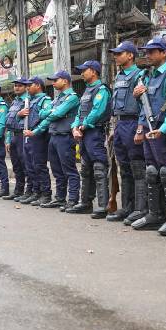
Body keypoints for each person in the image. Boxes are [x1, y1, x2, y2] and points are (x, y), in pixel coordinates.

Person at [130, 37, 166, 235]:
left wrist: (164, 128)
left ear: (164, 53)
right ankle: (155, 214)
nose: (148, 55)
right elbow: (143, 107)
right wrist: (137, 97)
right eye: (147, 51)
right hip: (148, 129)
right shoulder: (147, 76)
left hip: (163, 130)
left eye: (153, 51)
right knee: (152, 171)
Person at [106, 41, 147, 224]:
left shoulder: (139, 75)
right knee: (124, 169)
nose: (115, 56)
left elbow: (143, 106)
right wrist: (114, 128)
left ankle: (140, 209)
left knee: (138, 169)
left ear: (130, 55)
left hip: (133, 123)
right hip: (121, 125)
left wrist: (140, 128)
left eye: (119, 53)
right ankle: (127, 207)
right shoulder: (119, 76)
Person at [27, 71, 80, 210]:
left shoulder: (72, 97)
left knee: (69, 170)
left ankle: (73, 199)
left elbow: (57, 113)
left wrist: (51, 112)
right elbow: (44, 115)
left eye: (56, 80)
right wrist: (36, 131)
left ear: (65, 81)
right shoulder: (56, 99)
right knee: (57, 171)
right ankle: (60, 199)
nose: (53, 83)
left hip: (65, 137)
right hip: (54, 136)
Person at [68, 61, 112, 218]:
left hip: (95, 132)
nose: (82, 73)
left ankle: (103, 205)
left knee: (99, 169)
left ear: (93, 72)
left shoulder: (101, 90)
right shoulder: (86, 91)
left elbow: (97, 111)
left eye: (84, 70)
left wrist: (83, 126)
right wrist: (74, 127)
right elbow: (79, 113)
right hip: (83, 133)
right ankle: (86, 203)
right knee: (85, 169)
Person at [20, 76, 53, 205]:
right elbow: (21, 120)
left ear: (38, 85)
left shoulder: (45, 100)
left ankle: (46, 194)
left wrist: (35, 131)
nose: (27, 88)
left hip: (38, 136)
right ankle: (35, 192)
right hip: (28, 134)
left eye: (30, 85)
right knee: (29, 166)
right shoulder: (30, 101)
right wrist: (19, 114)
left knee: (39, 165)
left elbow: (47, 117)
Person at [4, 78, 31, 201]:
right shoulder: (14, 102)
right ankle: (18, 190)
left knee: (26, 164)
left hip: (23, 135)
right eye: (15, 85)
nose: (17, 88)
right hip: (14, 135)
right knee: (16, 165)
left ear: (26, 87)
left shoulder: (28, 100)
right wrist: (8, 140)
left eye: (20, 86)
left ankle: (29, 191)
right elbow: (10, 122)